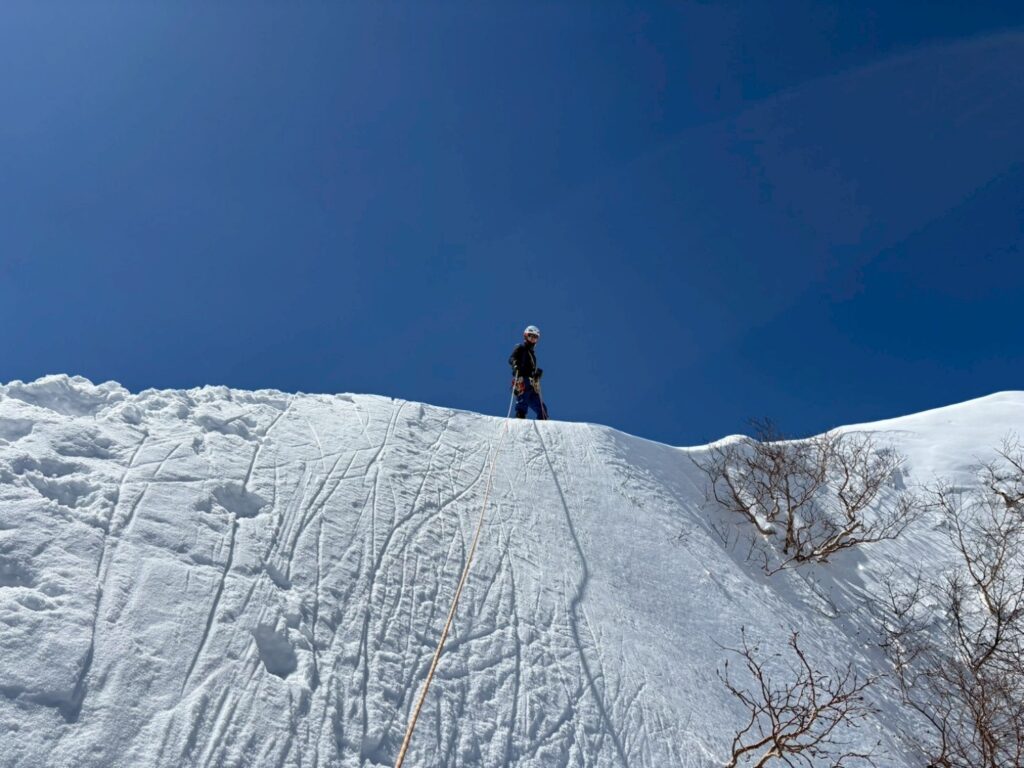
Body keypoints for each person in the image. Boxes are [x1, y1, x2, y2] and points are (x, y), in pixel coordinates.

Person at [509, 325, 548, 420]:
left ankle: (543, 420)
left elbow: (531, 371)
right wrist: (515, 366)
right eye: (530, 336)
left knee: (541, 407)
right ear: (525, 336)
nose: (532, 339)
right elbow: (512, 358)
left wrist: (536, 375)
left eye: (535, 337)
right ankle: (520, 415)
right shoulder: (520, 347)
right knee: (523, 397)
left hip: (532, 385)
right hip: (522, 379)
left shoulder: (533, 356)